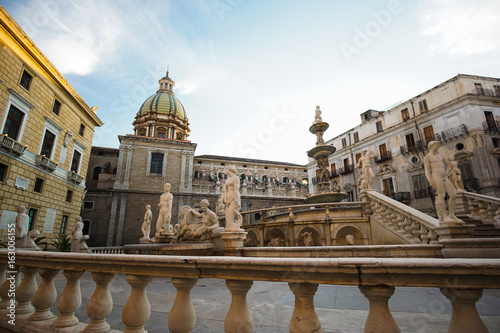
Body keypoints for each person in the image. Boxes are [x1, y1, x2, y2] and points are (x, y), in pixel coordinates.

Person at [424, 141, 462, 223]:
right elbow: (427, 170)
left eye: (438, 145)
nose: (438, 146)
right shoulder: (427, 157)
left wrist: (447, 173)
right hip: (436, 175)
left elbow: (450, 164)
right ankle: (445, 217)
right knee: (442, 195)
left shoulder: (440, 156)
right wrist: (430, 180)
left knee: (453, 195)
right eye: (436, 145)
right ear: (431, 146)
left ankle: (451, 214)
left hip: (444, 176)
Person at [224, 165, 242, 230]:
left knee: (230, 212)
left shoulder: (236, 178)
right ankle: (229, 226)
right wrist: (225, 198)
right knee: (227, 213)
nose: (226, 171)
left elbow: (236, 189)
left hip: (233, 195)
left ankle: (232, 226)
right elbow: (225, 190)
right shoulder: (228, 179)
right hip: (228, 196)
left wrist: (236, 199)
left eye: (227, 170)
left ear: (229, 170)